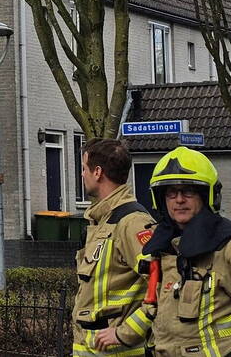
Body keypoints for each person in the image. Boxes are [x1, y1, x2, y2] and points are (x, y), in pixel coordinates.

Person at [142, 146, 231, 356]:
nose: (179, 199)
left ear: (207, 195)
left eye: (189, 191)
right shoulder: (163, 252)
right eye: (171, 192)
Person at [72, 138, 155, 355]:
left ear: (97, 172)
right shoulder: (101, 221)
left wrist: (126, 332)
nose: (82, 175)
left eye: (83, 168)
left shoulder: (131, 222)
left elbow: (163, 283)